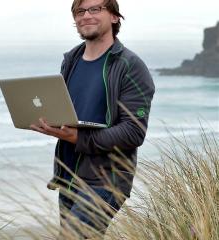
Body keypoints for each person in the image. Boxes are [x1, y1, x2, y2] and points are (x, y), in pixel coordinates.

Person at [30, 0, 155, 237]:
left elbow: (133, 132)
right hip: (68, 174)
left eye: (95, 9)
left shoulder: (130, 66)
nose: (85, 15)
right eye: (79, 11)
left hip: (106, 179)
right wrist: (51, 123)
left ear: (115, 17)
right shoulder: (71, 60)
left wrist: (77, 137)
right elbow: (70, 113)